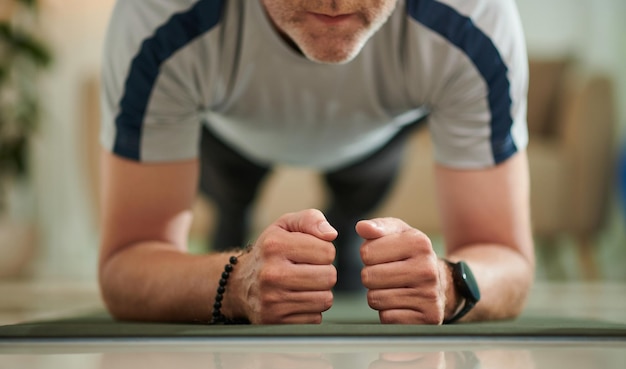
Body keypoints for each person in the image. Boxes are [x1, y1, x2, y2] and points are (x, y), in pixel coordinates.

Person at [98, 0, 535, 325]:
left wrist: (449, 285)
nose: (334, 2)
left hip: (374, 139)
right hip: (229, 137)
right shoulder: (158, 15)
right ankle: (235, 224)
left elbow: (508, 259)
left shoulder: (475, 17)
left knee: (349, 231)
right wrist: (234, 283)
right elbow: (125, 267)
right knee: (232, 211)